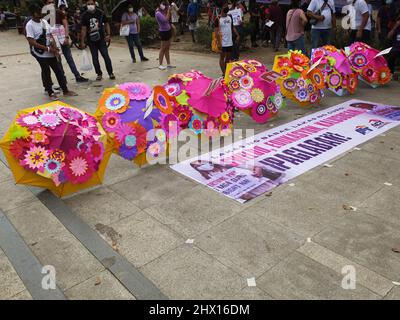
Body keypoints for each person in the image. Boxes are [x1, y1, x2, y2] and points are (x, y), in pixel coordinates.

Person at [25, 4, 77, 100]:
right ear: (33, 13)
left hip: (50, 50)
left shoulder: (44, 22)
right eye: (38, 12)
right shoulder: (30, 25)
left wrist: (55, 47)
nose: (41, 13)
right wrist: (47, 49)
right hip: (39, 52)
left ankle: (65, 90)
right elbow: (31, 42)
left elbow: (50, 34)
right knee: (46, 71)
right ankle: (50, 92)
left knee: (58, 70)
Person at [42, 0, 88, 83]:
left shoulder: (59, 12)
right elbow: (45, 30)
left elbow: (65, 24)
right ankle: (62, 78)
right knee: (58, 60)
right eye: (49, 2)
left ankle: (77, 75)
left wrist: (66, 37)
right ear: (46, 4)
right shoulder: (44, 15)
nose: (51, 4)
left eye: (52, 2)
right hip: (54, 40)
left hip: (62, 37)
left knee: (69, 58)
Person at [80, 0, 115, 81]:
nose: (90, 5)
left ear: (95, 4)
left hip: (101, 39)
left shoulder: (100, 13)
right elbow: (83, 29)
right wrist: (82, 41)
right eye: (88, 4)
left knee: (106, 56)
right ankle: (99, 74)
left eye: (91, 4)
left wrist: (108, 35)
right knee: (95, 58)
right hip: (91, 40)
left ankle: (110, 73)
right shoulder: (84, 15)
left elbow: (106, 24)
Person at [215, 4, 239, 75]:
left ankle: (225, 72)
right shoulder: (218, 19)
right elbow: (216, 32)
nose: (226, 7)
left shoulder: (230, 17)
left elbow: (232, 27)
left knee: (228, 58)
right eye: (224, 7)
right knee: (222, 58)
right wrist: (219, 43)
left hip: (229, 42)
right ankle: (224, 73)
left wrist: (237, 35)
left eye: (227, 7)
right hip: (222, 42)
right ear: (221, 9)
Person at [155, 1, 175, 70]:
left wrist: (169, 9)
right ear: (159, 4)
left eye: (164, 4)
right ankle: (160, 64)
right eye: (162, 4)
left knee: (167, 48)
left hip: (168, 31)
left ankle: (168, 64)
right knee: (163, 48)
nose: (164, 5)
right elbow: (165, 20)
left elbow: (169, 18)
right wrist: (169, 11)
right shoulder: (158, 13)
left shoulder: (163, 11)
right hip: (163, 32)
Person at [387, 10, 400, 78]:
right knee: (391, 57)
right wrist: (395, 27)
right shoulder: (396, 28)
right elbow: (388, 36)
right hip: (396, 48)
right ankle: (390, 74)